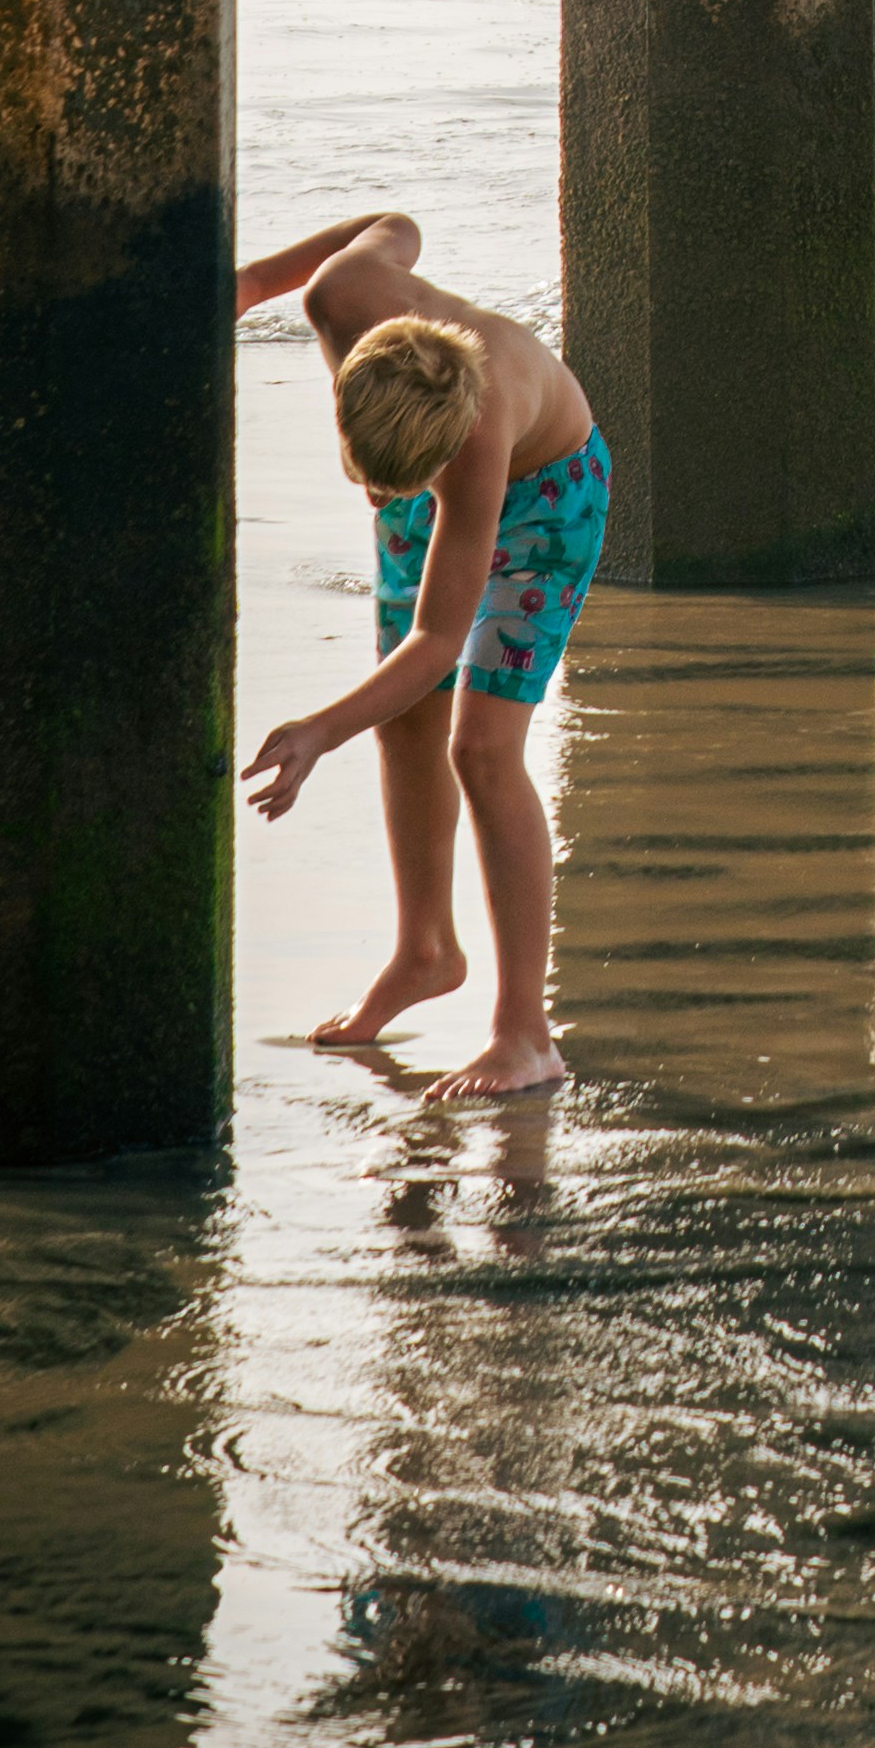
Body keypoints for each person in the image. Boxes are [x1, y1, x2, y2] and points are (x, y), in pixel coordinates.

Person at [233, 198, 609, 1099]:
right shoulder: (341, 297)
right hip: (422, 450)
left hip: (539, 500)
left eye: (394, 488)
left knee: (480, 748)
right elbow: (393, 221)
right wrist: (246, 285)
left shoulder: (478, 441)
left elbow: (443, 639)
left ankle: (525, 1034)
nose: (372, 502)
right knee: (404, 723)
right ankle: (424, 949)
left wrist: (319, 730)